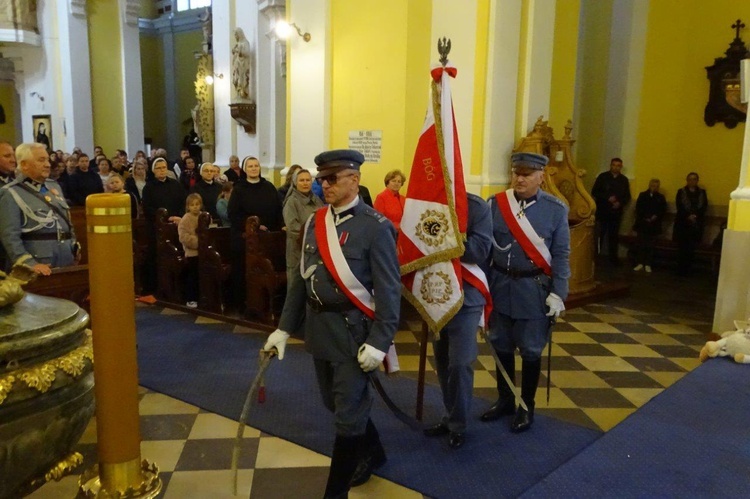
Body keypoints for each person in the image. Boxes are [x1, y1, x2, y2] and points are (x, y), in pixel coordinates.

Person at [264, 149, 401, 497]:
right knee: (334, 403)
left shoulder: (376, 227)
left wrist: (380, 341)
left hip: (354, 333)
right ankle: (375, 450)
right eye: (321, 178)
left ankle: (334, 493)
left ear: (354, 179)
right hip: (320, 329)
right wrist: (283, 328)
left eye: (331, 179)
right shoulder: (315, 221)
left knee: (347, 414)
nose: (324, 185)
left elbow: (388, 291)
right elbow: (301, 278)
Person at [481, 152, 570, 433]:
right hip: (499, 286)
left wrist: (559, 293)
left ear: (541, 176)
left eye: (527, 174)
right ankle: (506, 399)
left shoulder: (555, 210)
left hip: (533, 291)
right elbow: (485, 250)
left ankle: (526, 405)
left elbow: (562, 255)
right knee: (500, 344)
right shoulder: (495, 204)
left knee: (531, 350)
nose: (520, 178)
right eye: (516, 173)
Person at [423, 192, 492, 449]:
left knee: (460, 363)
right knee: (442, 361)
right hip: (435, 294)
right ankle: (450, 416)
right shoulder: (427, 202)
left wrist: (443, 239)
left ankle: (458, 424)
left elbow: (480, 251)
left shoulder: (476, 207)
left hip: (467, 296)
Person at [0, 143, 80, 274]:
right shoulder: (10, 193)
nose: (48, 164)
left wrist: (74, 246)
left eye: (47, 159)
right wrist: (28, 263)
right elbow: (10, 237)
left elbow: (66, 221)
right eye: (41, 160)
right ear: (24, 164)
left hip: (65, 258)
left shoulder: (54, 187)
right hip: (38, 263)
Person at [227, 156, 283, 310]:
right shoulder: (239, 189)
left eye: (256, 165)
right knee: (243, 270)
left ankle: (269, 303)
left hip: (267, 238)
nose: (253, 168)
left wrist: (280, 226)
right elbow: (233, 214)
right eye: (250, 166)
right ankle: (243, 303)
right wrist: (252, 228)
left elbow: (279, 210)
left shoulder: (269, 187)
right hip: (245, 238)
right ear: (245, 169)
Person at [141, 158, 187, 293]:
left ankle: (177, 287)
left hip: (175, 226)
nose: (162, 170)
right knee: (156, 257)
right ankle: (156, 288)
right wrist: (163, 218)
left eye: (164, 167)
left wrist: (177, 217)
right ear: (153, 170)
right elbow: (147, 208)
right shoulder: (148, 187)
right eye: (158, 168)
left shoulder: (175, 184)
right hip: (156, 228)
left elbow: (182, 203)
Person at [282, 168, 324, 291]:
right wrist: (312, 237)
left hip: (315, 251)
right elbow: (293, 228)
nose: (305, 183)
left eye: (308, 180)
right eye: (301, 180)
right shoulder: (292, 202)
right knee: (296, 289)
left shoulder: (316, 200)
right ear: (295, 182)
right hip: (297, 251)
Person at [592, 157, 631, 264]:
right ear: (610, 165)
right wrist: (607, 197)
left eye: (618, 165)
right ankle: (595, 257)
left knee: (613, 236)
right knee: (600, 235)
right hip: (603, 211)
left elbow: (627, 196)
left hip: (616, 213)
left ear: (621, 167)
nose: (615, 167)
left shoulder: (624, 180)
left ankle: (613, 258)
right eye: (614, 165)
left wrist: (619, 203)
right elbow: (595, 191)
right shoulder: (602, 177)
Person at [673, 172, 708, 276]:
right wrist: (688, 216)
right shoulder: (681, 192)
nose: (692, 181)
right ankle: (680, 269)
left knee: (691, 248)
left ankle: (689, 269)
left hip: (696, 224)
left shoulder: (702, 193)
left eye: (694, 179)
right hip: (683, 223)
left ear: (697, 181)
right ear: (687, 180)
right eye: (690, 179)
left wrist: (695, 216)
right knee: (682, 247)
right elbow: (679, 206)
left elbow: (704, 206)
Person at [632, 178, 667, 273]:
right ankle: (640, 263)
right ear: (649, 185)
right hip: (643, 223)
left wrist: (655, 216)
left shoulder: (661, 197)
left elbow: (662, 210)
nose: (654, 188)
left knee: (651, 245)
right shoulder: (642, 195)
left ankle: (648, 264)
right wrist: (646, 217)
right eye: (652, 185)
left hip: (654, 224)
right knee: (641, 244)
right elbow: (639, 208)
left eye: (656, 186)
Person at [179, 193, 203, 308]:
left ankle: (203, 296)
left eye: (197, 204)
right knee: (193, 276)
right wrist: (199, 242)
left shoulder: (204, 216)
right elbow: (183, 237)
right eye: (192, 205)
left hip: (205, 253)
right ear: (188, 206)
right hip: (192, 252)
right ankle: (191, 298)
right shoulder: (185, 219)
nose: (195, 207)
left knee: (203, 276)